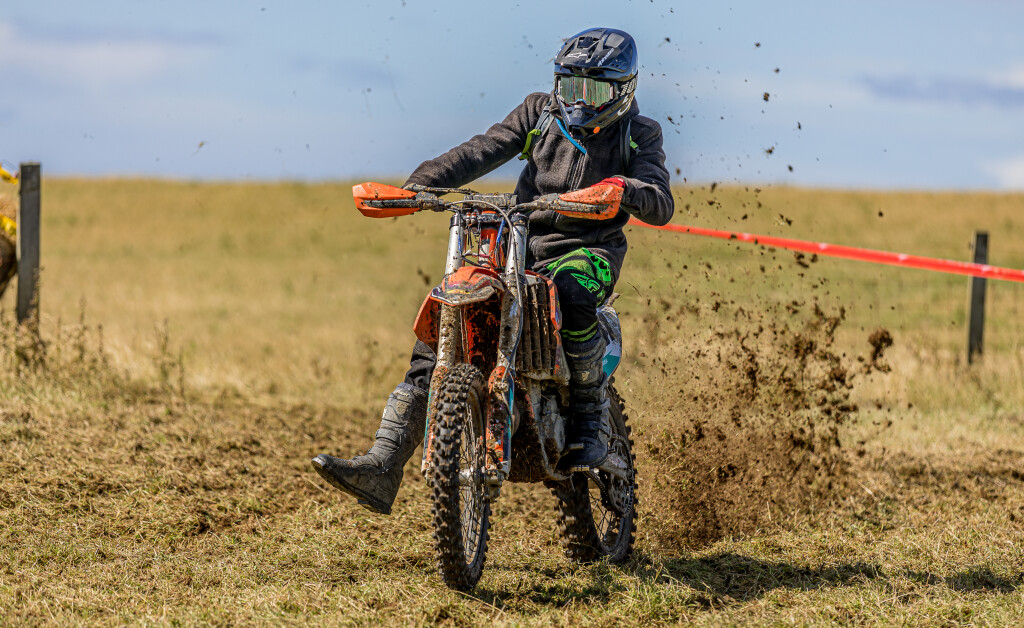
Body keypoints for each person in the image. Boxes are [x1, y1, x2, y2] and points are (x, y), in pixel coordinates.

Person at [312, 27, 673, 515]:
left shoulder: (639, 133)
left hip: (587, 250)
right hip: (517, 240)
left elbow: (660, 199)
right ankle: (384, 460)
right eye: (571, 87)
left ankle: (589, 424)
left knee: (571, 293)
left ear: (623, 90)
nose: (579, 101)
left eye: (593, 91)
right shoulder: (539, 111)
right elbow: (481, 149)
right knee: (449, 311)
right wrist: (420, 187)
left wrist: (624, 190)